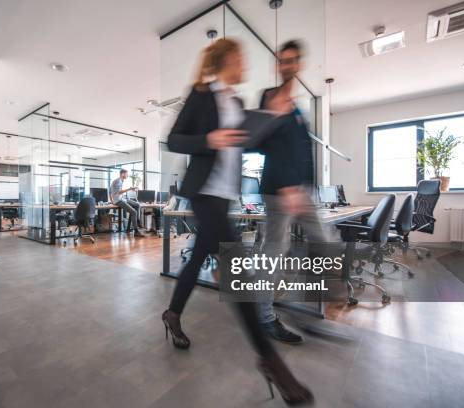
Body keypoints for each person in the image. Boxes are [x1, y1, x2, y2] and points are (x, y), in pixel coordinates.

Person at [162, 38, 313, 405]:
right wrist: (210, 138)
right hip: (203, 193)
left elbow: (245, 146)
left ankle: (172, 313)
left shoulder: (237, 103)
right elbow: (174, 140)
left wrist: (272, 121)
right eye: (240, 57)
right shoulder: (201, 94)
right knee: (239, 272)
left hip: (224, 194)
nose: (245, 62)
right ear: (225, 60)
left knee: (198, 256)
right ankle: (271, 362)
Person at [254, 40, 329, 343]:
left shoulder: (297, 108)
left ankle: (301, 309)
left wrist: (307, 189)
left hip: (300, 191)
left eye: (292, 60)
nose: (287, 65)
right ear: (278, 64)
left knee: (323, 241)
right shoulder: (269, 98)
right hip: (277, 189)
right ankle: (265, 317)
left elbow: (303, 151)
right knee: (274, 251)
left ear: (298, 64)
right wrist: (271, 117)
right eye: (282, 61)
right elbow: (257, 144)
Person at [110, 169, 145, 237]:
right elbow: (119, 192)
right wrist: (129, 189)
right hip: (118, 200)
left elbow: (112, 191)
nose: (127, 175)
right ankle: (136, 231)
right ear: (122, 174)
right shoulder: (117, 181)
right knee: (134, 212)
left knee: (137, 204)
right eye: (126, 174)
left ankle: (137, 221)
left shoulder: (121, 181)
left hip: (122, 199)